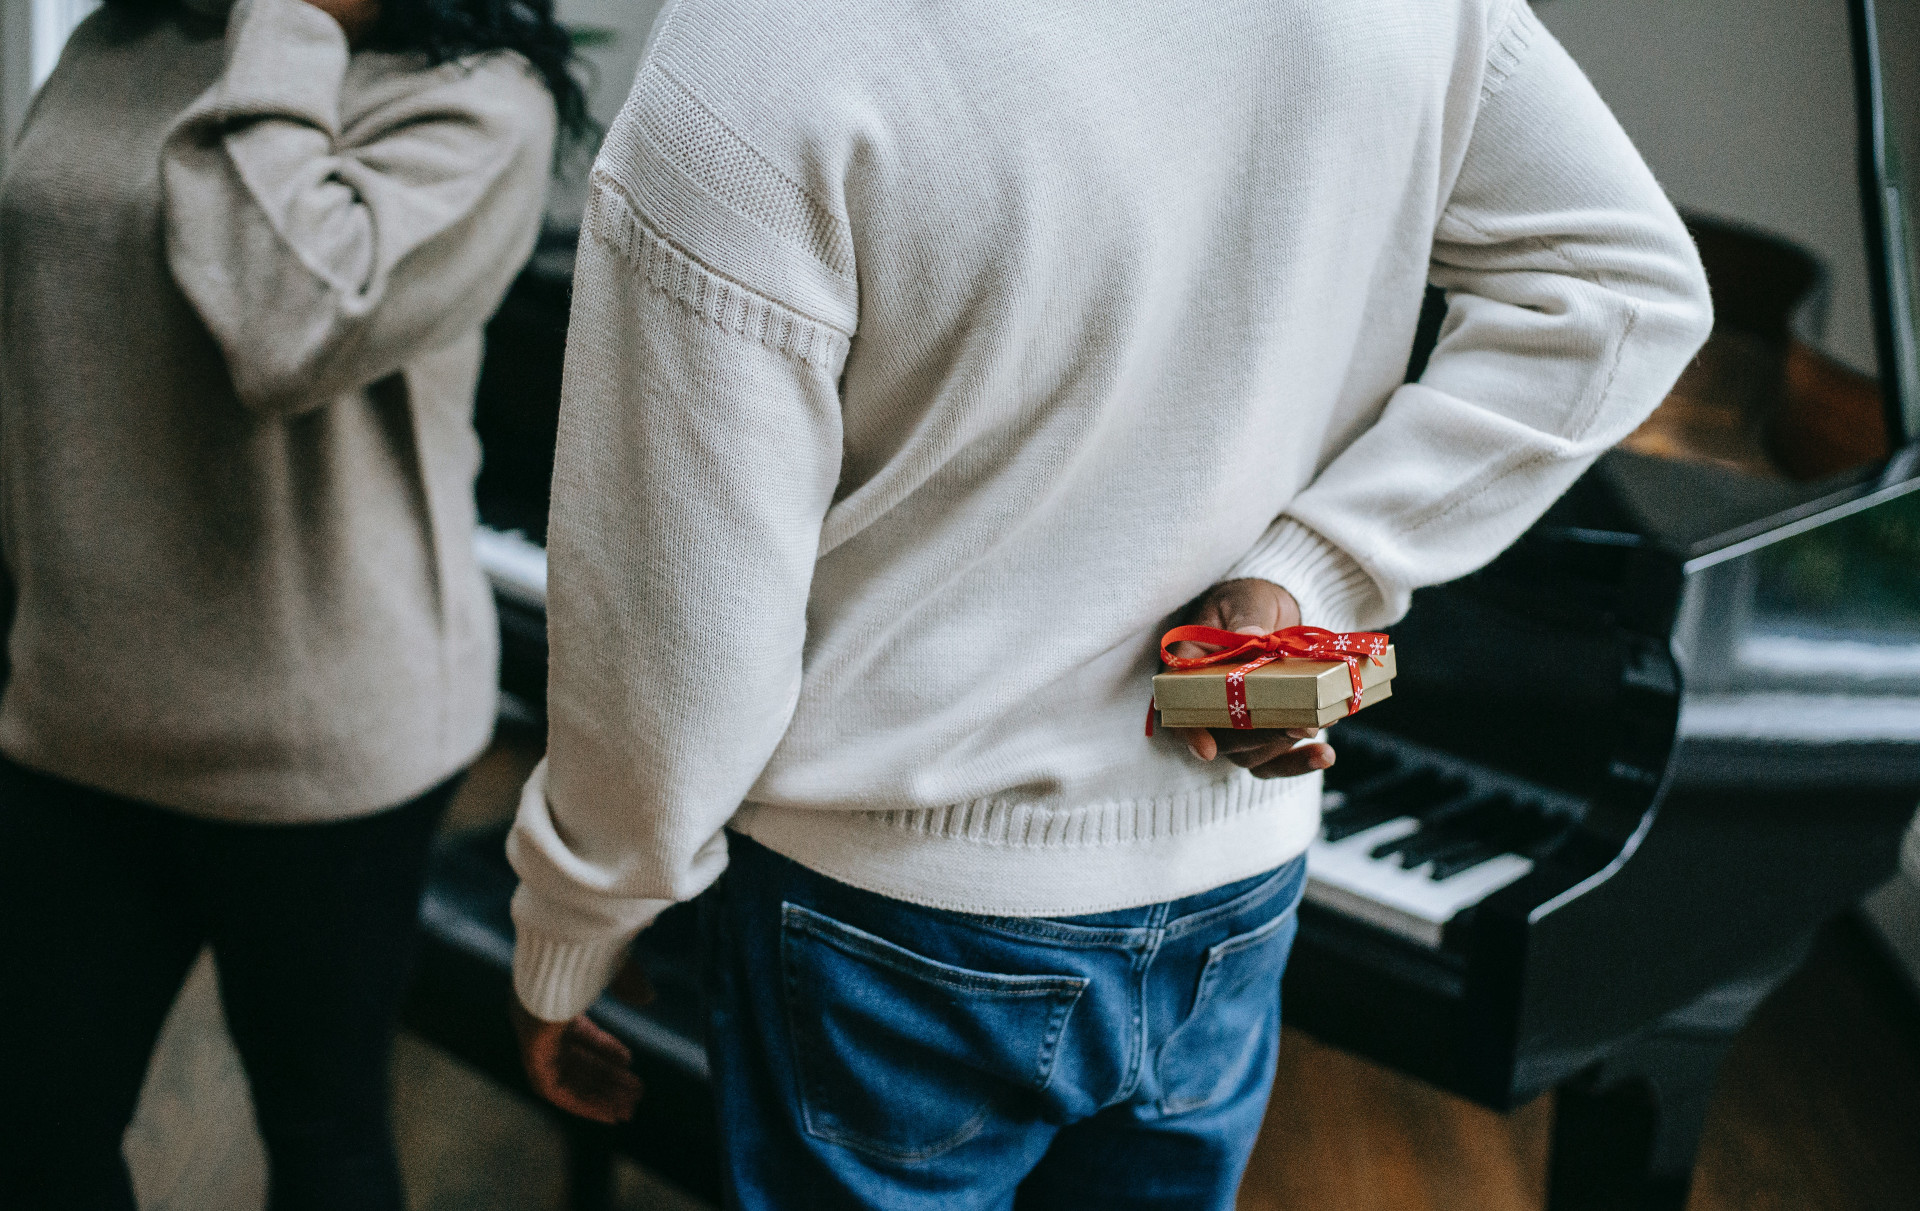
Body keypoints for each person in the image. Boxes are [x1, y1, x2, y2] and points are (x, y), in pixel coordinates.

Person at [506, 0, 1713, 1206]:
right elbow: (1625, 289)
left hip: (889, 912)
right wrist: (1317, 569)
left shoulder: (755, 48)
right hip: (1232, 881)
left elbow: (673, 633)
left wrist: (579, 924)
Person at [0, 0, 580, 1206]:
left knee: (322, 1137)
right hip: (72, 707)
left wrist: (288, 20)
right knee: (30, 1130)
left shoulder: (475, 100)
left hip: (320, 745)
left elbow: (283, 318)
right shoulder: (123, 40)